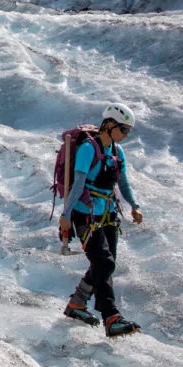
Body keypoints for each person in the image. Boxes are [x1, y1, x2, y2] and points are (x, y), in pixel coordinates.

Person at [60, 103, 145, 338]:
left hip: (108, 214)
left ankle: (77, 304)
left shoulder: (117, 152)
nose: (126, 135)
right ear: (109, 125)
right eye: (124, 129)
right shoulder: (89, 148)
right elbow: (78, 184)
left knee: (105, 263)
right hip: (84, 214)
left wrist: (134, 206)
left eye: (128, 131)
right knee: (105, 263)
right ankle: (111, 317)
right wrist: (65, 216)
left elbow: (123, 184)